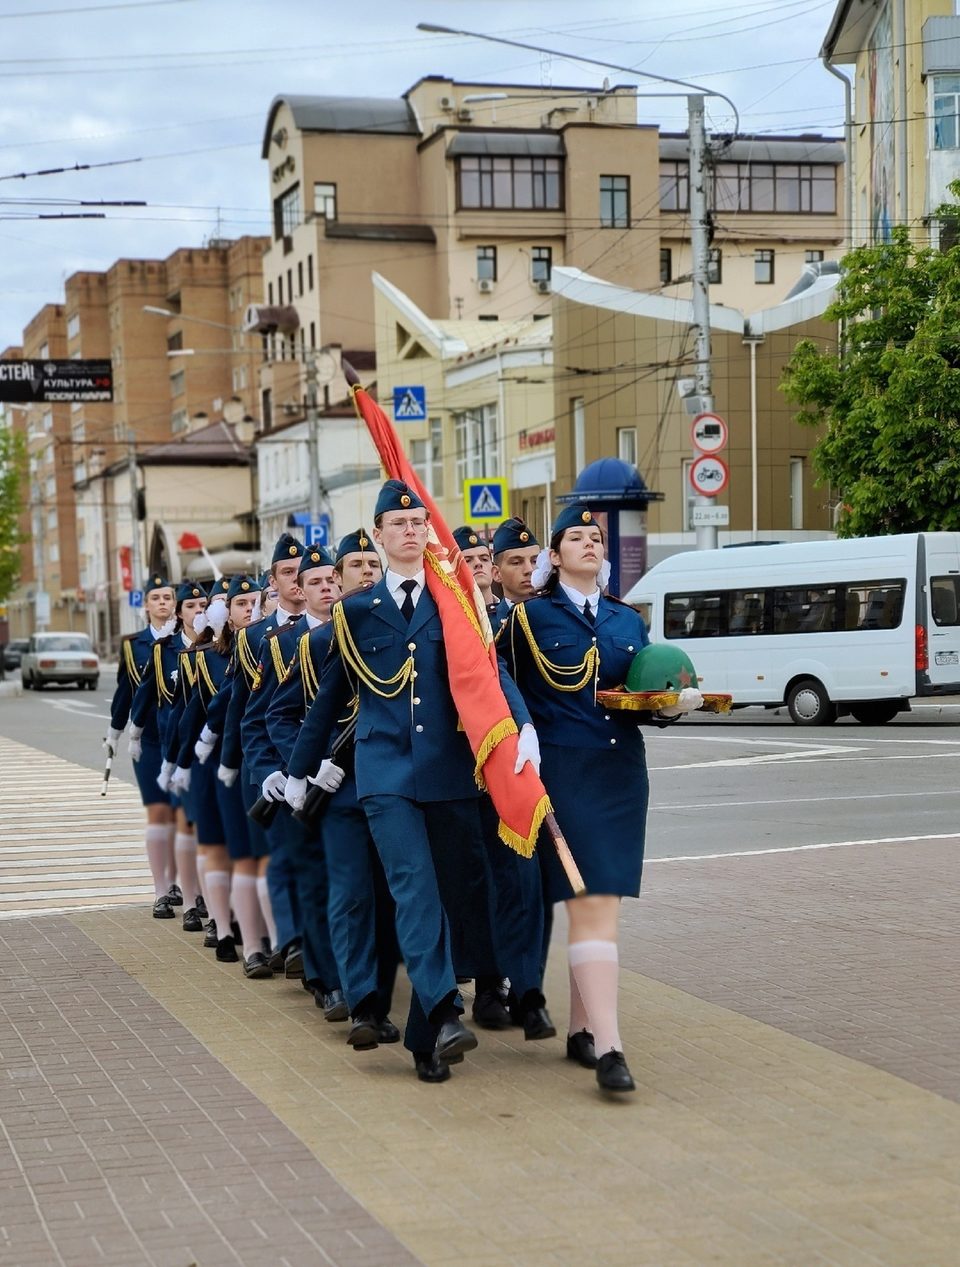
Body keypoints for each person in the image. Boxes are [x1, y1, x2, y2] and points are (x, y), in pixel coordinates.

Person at [283, 481, 538, 1083]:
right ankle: (448, 1010)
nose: (410, 530)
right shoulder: (354, 611)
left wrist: (521, 725)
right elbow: (329, 701)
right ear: (377, 534)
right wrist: (298, 772)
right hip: (384, 771)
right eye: (397, 524)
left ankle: (428, 1037)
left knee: (452, 893)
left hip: (449, 768)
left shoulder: (455, 599)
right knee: (413, 887)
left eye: (419, 521)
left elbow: (489, 671)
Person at [499, 503, 701, 1095]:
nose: (591, 544)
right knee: (593, 907)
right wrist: (521, 733)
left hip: (619, 777)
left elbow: (640, 693)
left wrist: (670, 707)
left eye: (597, 538)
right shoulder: (527, 620)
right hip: (562, 776)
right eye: (577, 538)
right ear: (553, 556)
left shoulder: (625, 620)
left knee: (600, 902)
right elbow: (498, 688)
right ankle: (611, 1048)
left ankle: (584, 1031)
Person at [241, 545, 343, 998]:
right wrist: (274, 772)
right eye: (315, 581)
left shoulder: (362, 630)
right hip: (300, 784)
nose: (326, 588)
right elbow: (259, 718)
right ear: (300, 588)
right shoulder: (279, 644)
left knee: (351, 883)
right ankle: (324, 979)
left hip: (350, 775)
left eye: (330, 579)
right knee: (313, 877)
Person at [129, 579, 208, 930]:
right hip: (172, 749)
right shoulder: (164, 650)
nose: (198, 612)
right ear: (179, 613)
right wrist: (131, 731)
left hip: (208, 752)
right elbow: (144, 694)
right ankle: (186, 900)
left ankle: (207, 896)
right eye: (190, 607)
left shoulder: (220, 647)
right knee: (181, 825)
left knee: (204, 828)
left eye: (203, 606)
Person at [105, 573, 179, 919]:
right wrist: (115, 732)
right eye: (157, 598)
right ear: (146, 605)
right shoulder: (133, 645)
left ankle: (183, 881)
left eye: (168, 597)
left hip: (182, 740)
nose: (163, 603)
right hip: (147, 740)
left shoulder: (187, 641)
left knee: (184, 816)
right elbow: (125, 693)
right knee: (159, 814)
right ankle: (161, 889)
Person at [491, 517, 541, 627]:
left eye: (534, 561)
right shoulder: (488, 626)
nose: (529, 570)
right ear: (497, 573)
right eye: (517, 563)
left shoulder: (559, 617)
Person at [452, 525, 498, 615]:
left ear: (493, 569)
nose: (478, 563)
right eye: (467, 560)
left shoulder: (509, 614)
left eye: (484, 559)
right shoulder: (452, 618)